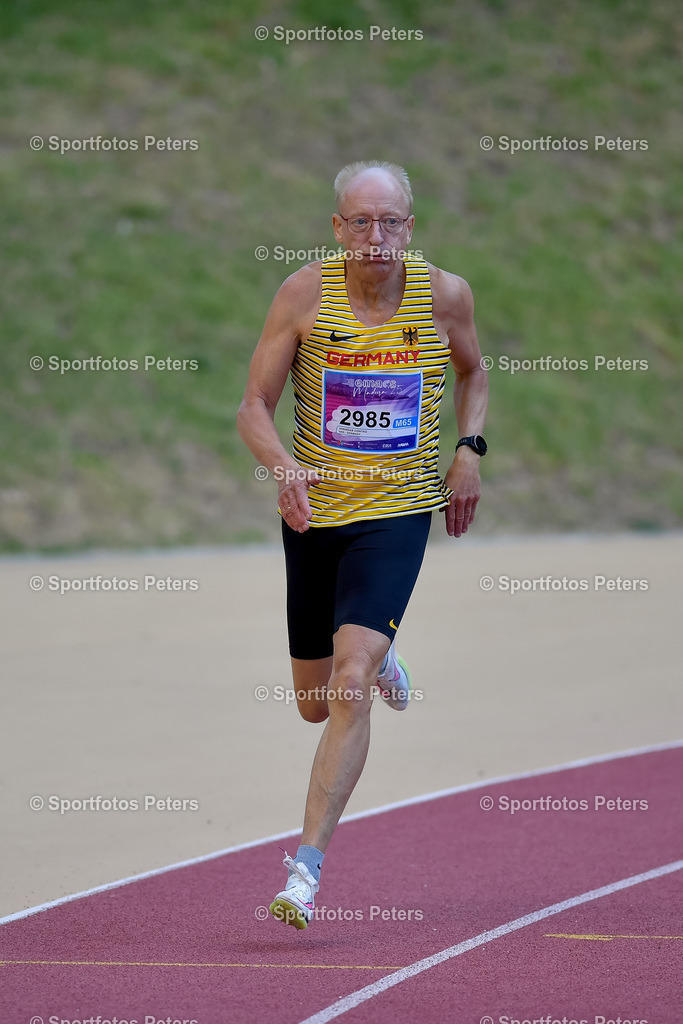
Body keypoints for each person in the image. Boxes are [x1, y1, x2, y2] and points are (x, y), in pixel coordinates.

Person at [237, 160, 489, 929]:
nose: (374, 236)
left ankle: (305, 869)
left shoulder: (444, 295)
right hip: (314, 515)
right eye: (358, 222)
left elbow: (475, 373)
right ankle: (382, 652)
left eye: (388, 222)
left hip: (397, 513)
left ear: (408, 228)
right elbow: (252, 404)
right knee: (316, 704)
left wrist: (468, 450)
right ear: (336, 226)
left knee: (348, 681)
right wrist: (283, 469)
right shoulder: (304, 293)